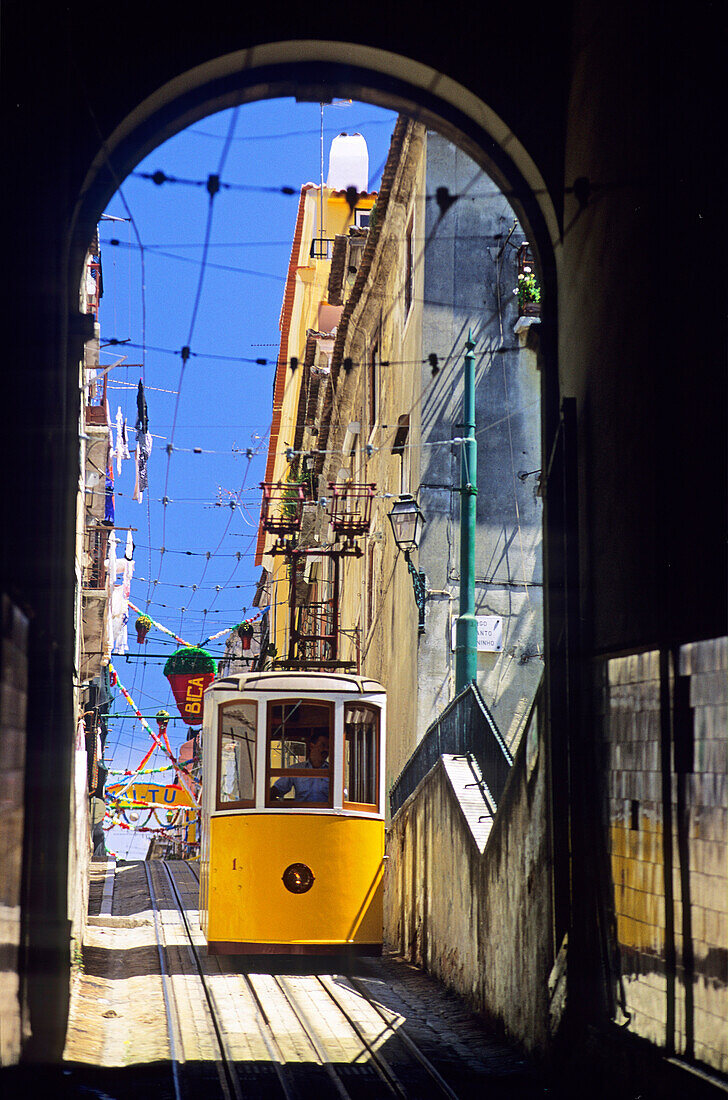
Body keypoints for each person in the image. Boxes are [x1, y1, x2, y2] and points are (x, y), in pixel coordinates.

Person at [270, 732, 330, 802]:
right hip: (300, 812)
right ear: (312, 746)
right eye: (322, 745)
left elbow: (342, 796)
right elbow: (276, 790)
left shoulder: (332, 771)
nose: (326, 750)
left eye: (328, 747)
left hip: (325, 812)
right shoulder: (296, 769)